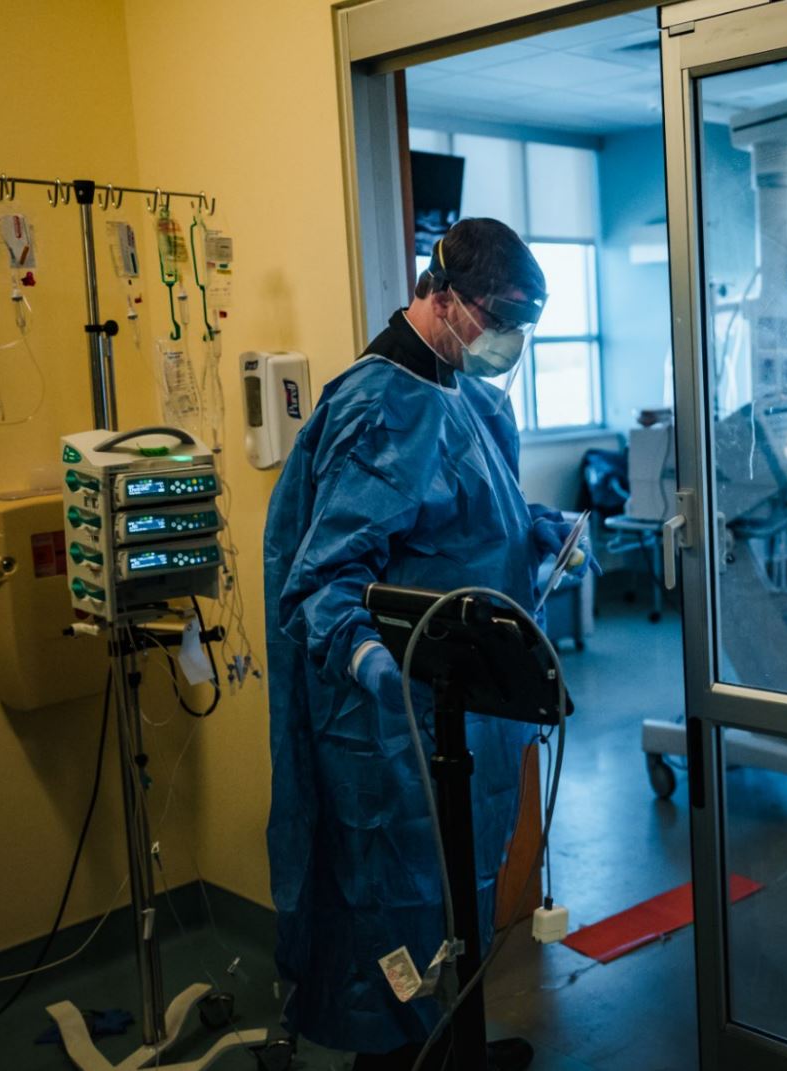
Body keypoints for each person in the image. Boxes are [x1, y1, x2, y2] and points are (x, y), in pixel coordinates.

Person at [264, 219, 592, 1071]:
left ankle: (456, 1044)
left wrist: (540, 531)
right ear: (439, 293)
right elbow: (324, 580)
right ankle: (406, 1057)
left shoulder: (457, 390)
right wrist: (375, 667)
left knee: (460, 890)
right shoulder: (382, 402)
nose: (511, 338)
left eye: (529, 319)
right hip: (392, 721)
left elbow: (462, 523)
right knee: (400, 903)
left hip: (459, 710)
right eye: (504, 315)